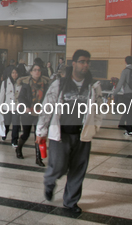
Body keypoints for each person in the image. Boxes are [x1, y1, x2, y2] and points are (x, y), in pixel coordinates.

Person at [36, 49, 102, 214]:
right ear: (74, 63)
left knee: (78, 170)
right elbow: (47, 108)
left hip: (82, 135)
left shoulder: (93, 86)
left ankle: (71, 202)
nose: (85, 65)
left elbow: (100, 108)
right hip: (61, 134)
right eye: (82, 61)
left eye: (87, 61)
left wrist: (94, 128)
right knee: (58, 166)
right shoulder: (60, 84)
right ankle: (50, 181)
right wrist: (41, 130)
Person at [14, 63, 49, 165]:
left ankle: (38, 158)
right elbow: (21, 97)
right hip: (28, 113)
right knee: (26, 134)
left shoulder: (45, 84)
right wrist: (27, 107)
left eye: (38, 70)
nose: (37, 72)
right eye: (35, 70)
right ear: (31, 72)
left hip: (40, 113)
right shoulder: (26, 84)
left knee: (38, 135)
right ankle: (18, 148)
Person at [0, 68, 19, 146]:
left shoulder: (20, 83)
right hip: (7, 107)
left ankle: (14, 140)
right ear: (10, 73)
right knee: (7, 123)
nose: (15, 74)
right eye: (13, 73)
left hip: (17, 107)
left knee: (16, 124)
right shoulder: (5, 83)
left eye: (16, 73)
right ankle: (4, 134)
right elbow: (1, 96)